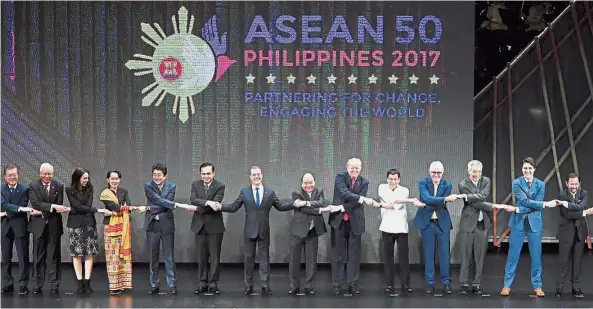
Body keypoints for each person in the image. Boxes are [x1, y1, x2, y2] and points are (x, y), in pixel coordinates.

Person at [212, 166, 295, 296]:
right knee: (248, 259)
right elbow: (234, 207)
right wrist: (220, 207)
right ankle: (248, 285)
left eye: (258, 174)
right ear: (250, 177)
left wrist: (294, 204)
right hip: (249, 231)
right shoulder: (244, 192)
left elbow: (280, 206)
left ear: (262, 175)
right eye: (254, 175)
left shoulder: (270, 191)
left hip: (263, 230)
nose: (257, 176)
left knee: (264, 259)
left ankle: (265, 285)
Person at [500, 157, 558, 297]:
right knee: (513, 255)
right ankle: (507, 285)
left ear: (534, 169)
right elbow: (525, 201)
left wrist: (518, 209)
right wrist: (543, 204)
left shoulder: (540, 184)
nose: (527, 170)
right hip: (518, 222)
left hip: (534, 223)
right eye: (525, 168)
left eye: (530, 168)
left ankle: (537, 286)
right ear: (522, 169)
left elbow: (533, 206)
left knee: (536, 255)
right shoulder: (516, 183)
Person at [457, 160, 508, 295]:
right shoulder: (462, 184)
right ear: (469, 172)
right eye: (474, 171)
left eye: (479, 171)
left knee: (479, 256)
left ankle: (476, 283)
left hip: (482, 222)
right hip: (468, 222)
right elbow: (475, 203)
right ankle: (464, 283)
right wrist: (494, 206)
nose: (477, 174)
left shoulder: (486, 181)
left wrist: (470, 197)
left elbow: (482, 196)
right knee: (466, 255)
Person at [143, 163, 191, 295]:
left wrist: (149, 208)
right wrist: (176, 205)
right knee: (153, 256)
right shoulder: (148, 186)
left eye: (159, 175)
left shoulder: (171, 186)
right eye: (154, 175)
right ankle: (154, 284)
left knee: (169, 256)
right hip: (152, 224)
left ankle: (172, 284)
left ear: (165, 176)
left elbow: (164, 204)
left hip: (166, 224)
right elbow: (158, 200)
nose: (156, 177)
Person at [329, 158, 374, 295]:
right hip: (339, 221)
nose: (354, 171)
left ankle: (352, 283)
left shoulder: (364, 182)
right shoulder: (340, 177)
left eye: (357, 168)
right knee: (337, 254)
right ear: (347, 167)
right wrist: (361, 198)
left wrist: (341, 206)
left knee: (353, 255)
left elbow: (356, 204)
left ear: (361, 168)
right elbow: (344, 193)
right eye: (352, 168)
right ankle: (337, 284)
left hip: (355, 221)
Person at [414, 161, 456, 296]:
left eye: (439, 172)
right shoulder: (423, 183)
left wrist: (426, 204)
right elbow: (426, 197)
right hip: (427, 223)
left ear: (442, 173)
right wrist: (443, 199)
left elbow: (428, 201)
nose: (436, 175)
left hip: (441, 223)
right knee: (429, 254)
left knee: (444, 254)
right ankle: (430, 283)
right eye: (434, 172)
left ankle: (446, 283)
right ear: (429, 171)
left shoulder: (447, 185)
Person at [100, 170, 145, 295]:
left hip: (124, 227)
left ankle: (123, 283)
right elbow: (115, 206)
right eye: (112, 179)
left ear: (119, 180)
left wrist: (123, 208)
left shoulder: (124, 191)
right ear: (107, 180)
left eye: (117, 179)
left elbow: (127, 204)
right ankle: (114, 286)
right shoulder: (105, 193)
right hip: (111, 228)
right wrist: (122, 208)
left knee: (123, 256)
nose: (115, 181)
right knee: (112, 257)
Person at [287, 172, 331, 296]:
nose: (308, 185)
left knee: (311, 261)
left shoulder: (319, 191)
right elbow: (304, 210)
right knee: (294, 260)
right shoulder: (296, 193)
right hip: (297, 231)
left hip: (312, 231)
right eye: (305, 183)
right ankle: (294, 286)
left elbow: (321, 202)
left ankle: (309, 286)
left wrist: (306, 202)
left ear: (314, 182)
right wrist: (321, 210)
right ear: (302, 183)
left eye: (310, 182)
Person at [29, 163, 69, 294]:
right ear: (40, 174)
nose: (47, 176)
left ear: (53, 174)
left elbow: (59, 205)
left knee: (54, 256)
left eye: (49, 174)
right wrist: (51, 207)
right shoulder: (33, 185)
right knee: (38, 256)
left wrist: (40, 211)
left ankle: (54, 283)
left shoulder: (58, 185)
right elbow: (35, 203)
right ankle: (38, 283)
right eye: (45, 173)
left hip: (54, 225)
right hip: (38, 226)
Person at [377, 169, 419, 294]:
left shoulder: (404, 190)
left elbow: (396, 204)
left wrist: (378, 204)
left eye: (395, 179)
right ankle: (389, 284)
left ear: (399, 180)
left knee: (403, 258)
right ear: (387, 179)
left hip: (401, 227)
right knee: (388, 257)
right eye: (391, 179)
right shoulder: (382, 188)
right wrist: (409, 200)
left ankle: (405, 284)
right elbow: (390, 200)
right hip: (386, 226)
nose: (393, 181)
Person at [189, 163, 225, 295]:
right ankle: (202, 282)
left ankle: (213, 283)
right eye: (203, 174)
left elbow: (215, 205)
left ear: (213, 174)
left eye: (208, 173)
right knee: (202, 257)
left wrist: (198, 207)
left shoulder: (220, 186)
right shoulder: (195, 185)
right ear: (200, 174)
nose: (206, 176)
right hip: (199, 226)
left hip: (215, 226)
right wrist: (207, 202)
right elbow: (193, 199)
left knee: (215, 257)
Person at [554, 173, 590, 298]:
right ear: (566, 183)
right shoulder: (562, 195)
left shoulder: (584, 193)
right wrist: (584, 213)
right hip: (566, 233)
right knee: (563, 262)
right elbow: (567, 214)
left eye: (576, 184)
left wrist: (569, 205)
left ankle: (576, 287)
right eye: (571, 184)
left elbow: (581, 206)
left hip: (580, 232)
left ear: (579, 184)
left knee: (577, 261)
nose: (574, 186)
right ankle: (559, 288)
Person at [66, 168, 100, 294]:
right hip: (75, 224)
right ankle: (80, 283)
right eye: (84, 178)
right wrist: (94, 209)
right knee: (77, 254)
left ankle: (87, 282)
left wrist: (81, 209)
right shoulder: (69, 190)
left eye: (87, 178)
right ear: (78, 178)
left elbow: (87, 205)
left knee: (89, 253)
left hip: (89, 223)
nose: (86, 180)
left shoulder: (90, 188)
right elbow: (77, 206)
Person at [1, 165, 33, 295]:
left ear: (18, 175)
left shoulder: (24, 189)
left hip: (20, 226)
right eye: (10, 175)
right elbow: (3, 204)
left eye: (14, 174)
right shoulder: (1, 188)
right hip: (5, 227)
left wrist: (5, 212)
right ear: (5, 177)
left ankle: (23, 284)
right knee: (6, 257)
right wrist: (16, 209)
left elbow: (23, 205)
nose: (12, 177)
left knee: (23, 257)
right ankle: (7, 283)